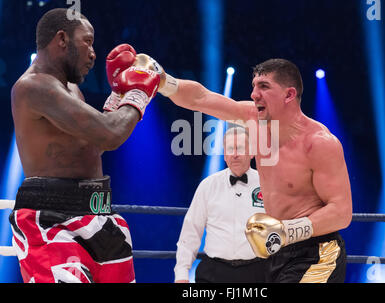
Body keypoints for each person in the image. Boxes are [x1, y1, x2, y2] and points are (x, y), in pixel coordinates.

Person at [146, 57, 352, 282]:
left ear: (289, 95)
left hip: (315, 253)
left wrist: (287, 230)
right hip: (275, 252)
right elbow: (201, 98)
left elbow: (341, 213)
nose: (254, 94)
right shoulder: (253, 119)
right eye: (254, 86)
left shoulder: (319, 143)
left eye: (264, 87)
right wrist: (164, 81)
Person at [9, 8, 160, 283]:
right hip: (52, 221)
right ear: (62, 39)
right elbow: (111, 134)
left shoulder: (71, 89)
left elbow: (94, 145)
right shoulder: (33, 86)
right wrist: (138, 94)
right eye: (87, 41)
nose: (93, 53)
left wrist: (118, 96)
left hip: (99, 213)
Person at [174, 126, 267, 283]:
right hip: (214, 272)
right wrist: (182, 274)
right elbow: (191, 231)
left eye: (240, 148)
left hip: (257, 271)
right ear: (224, 155)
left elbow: (281, 231)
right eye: (230, 149)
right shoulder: (208, 185)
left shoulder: (267, 185)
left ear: (251, 152)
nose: (235, 154)